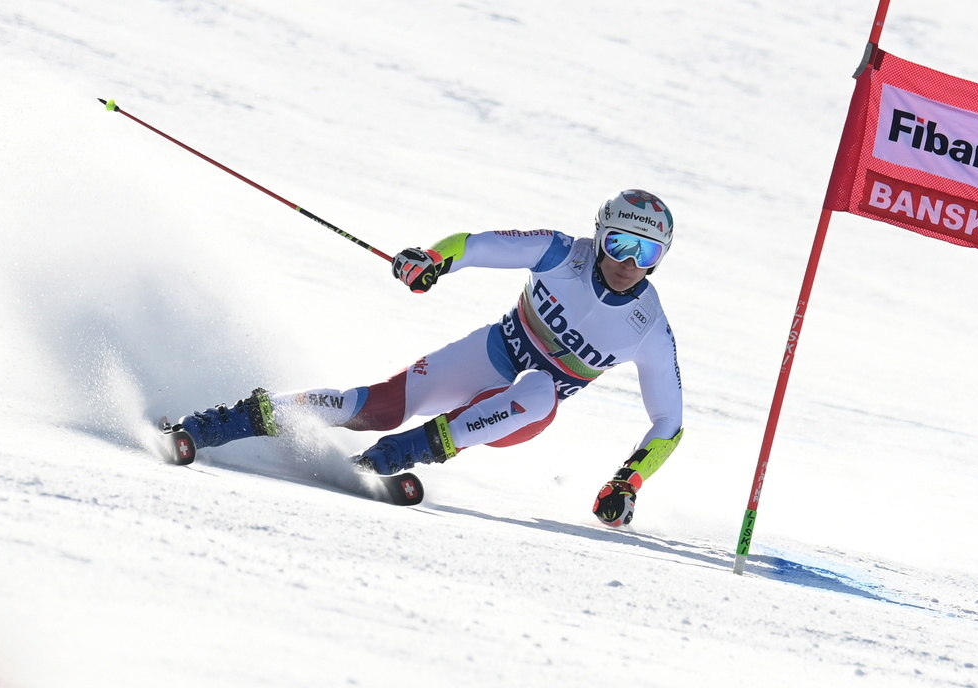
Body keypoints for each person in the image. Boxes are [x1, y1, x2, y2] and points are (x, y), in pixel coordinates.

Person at [161, 189, 684, 527]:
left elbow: (670, 422)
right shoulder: (559, 252)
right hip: (496, 350)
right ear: (599, 235)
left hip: (527, 409)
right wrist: (433, 261)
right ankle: (216, 425)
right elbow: (477, 246)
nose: (627, 263)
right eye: (618, 243)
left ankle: (395, 456)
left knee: (540, 388)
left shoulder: (649, 328)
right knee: (369, 405)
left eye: (646, 254)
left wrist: (626, 482)